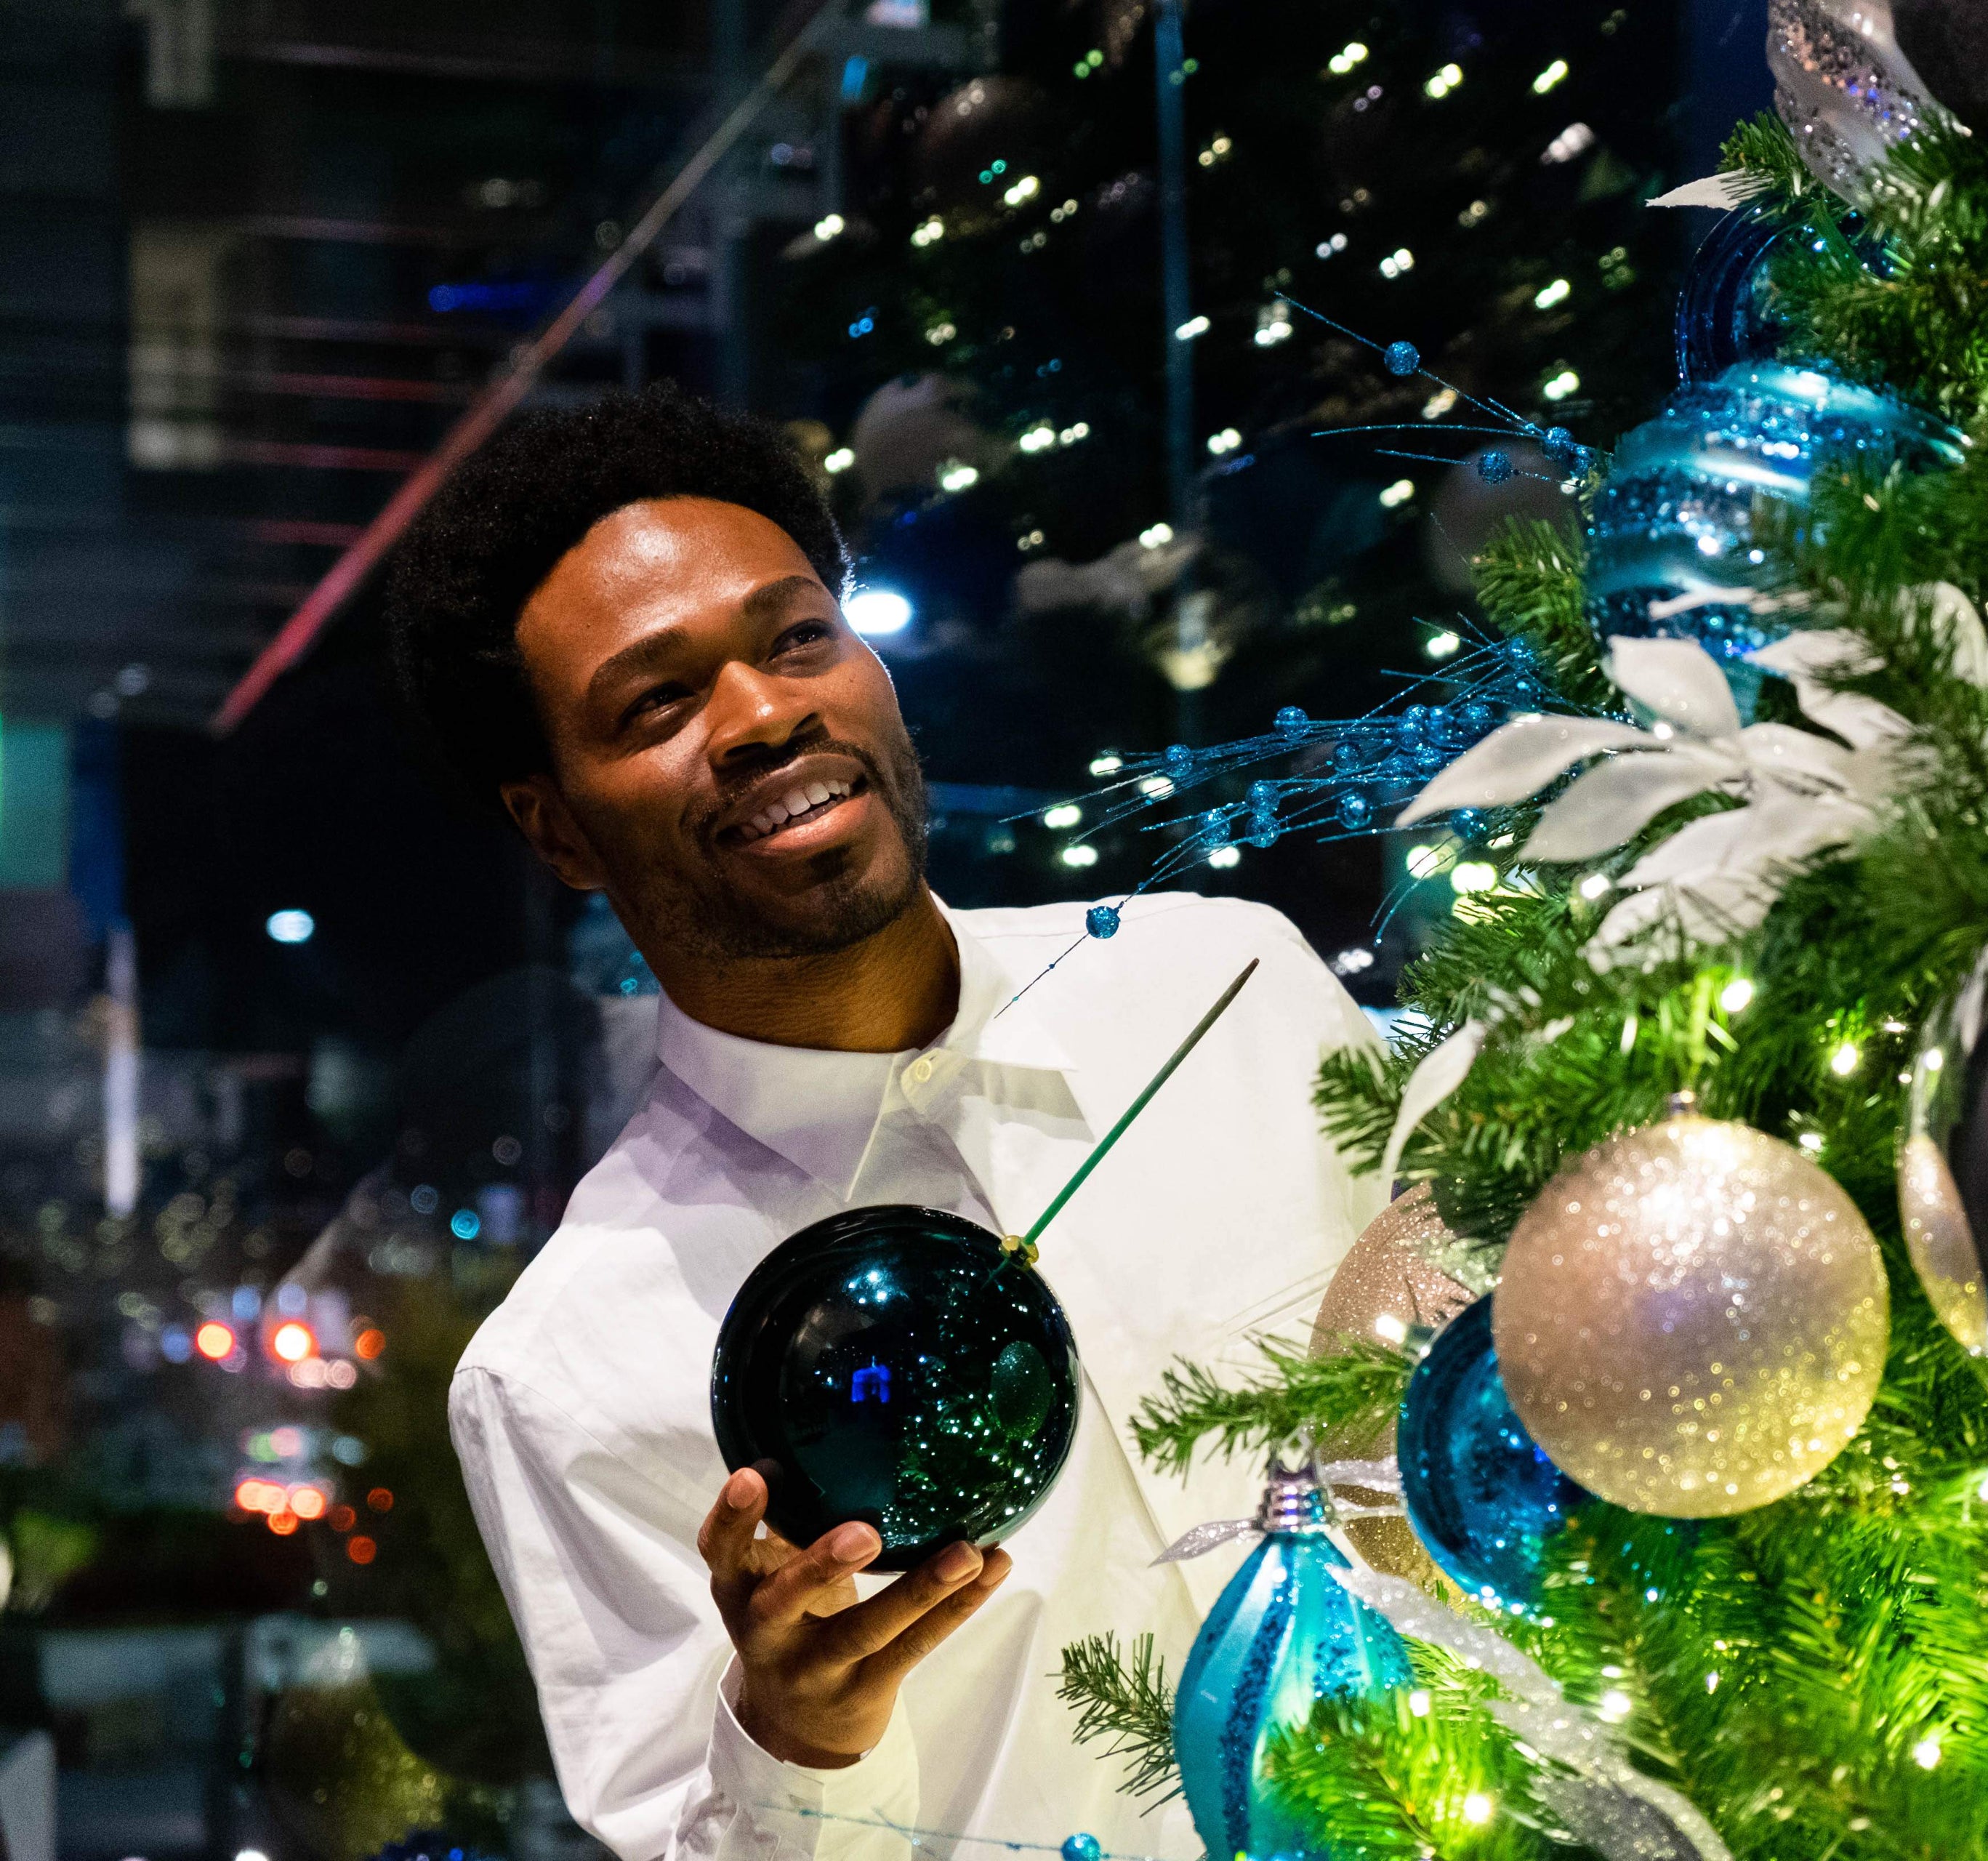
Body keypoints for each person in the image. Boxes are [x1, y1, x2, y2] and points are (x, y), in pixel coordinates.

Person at [391, 385, 1379, 1861]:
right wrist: (795, 1741)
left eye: (797, 636)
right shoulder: (569, 1369)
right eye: (658, 702)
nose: (765, 713)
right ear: (560, 826)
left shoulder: (1225, 986)